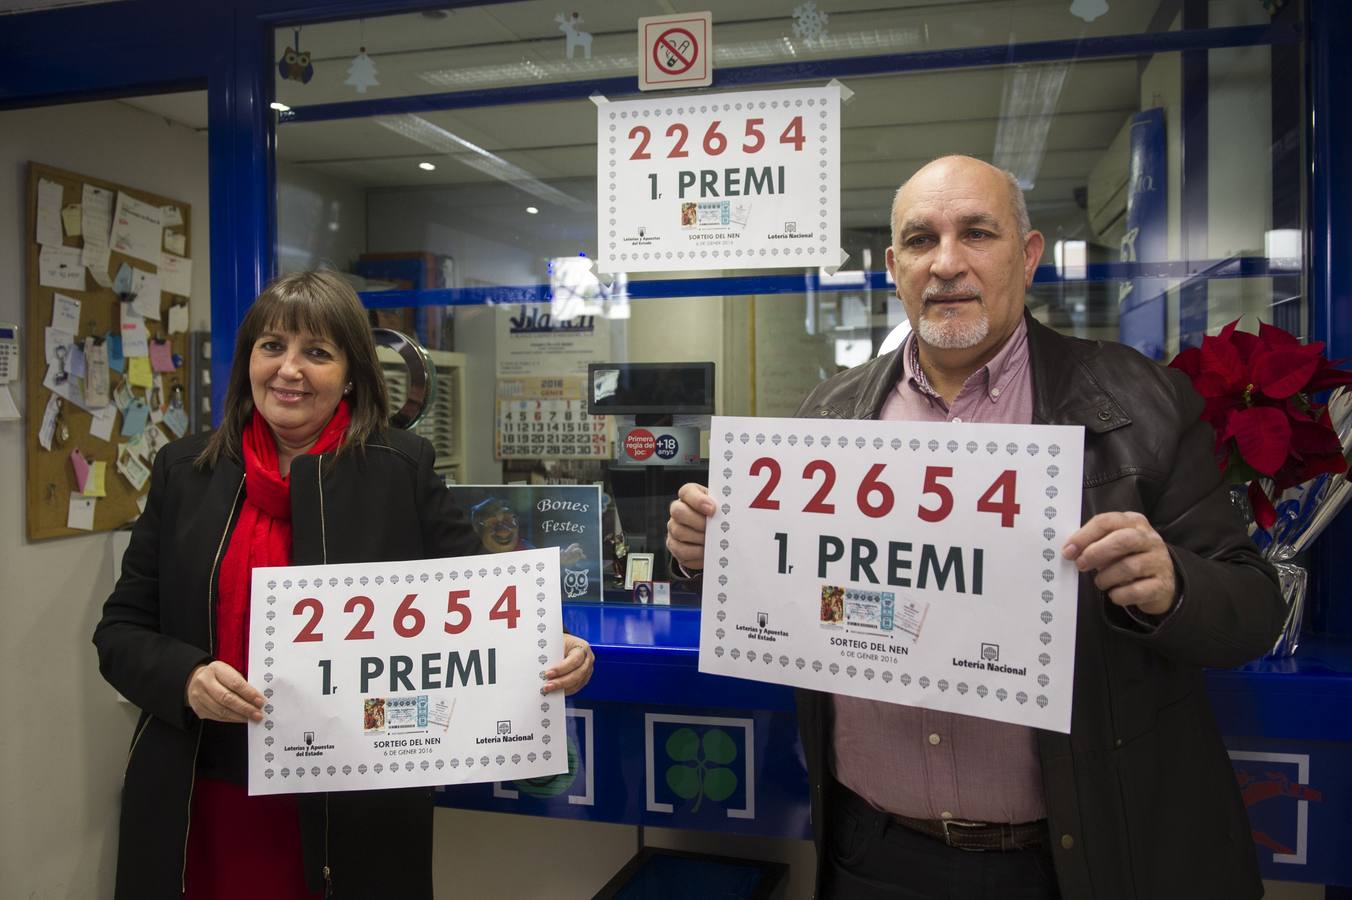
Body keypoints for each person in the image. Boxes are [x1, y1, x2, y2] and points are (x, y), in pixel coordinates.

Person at [666, 156, 1285, 900]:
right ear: (895, 267)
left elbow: (1252, 609)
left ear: (1027, 257)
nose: (947, 263)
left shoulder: (1142, 404)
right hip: (873, 853)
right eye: (922, 240)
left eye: (977, 233)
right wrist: (707, 558)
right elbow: (792, 606)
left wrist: (1172, 586)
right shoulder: (826, 419)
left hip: (1071, 862)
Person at [93, 271, 595, 900]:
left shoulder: (400, 469)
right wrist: (187, 677)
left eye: (317, 353)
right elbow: (120, 632)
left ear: (354, 373)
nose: (289, 370)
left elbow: (486, 599)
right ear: (248, 360)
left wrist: (556, 646)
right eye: (271, 346)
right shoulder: (184, 471)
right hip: (206, 795)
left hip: (353, 803)